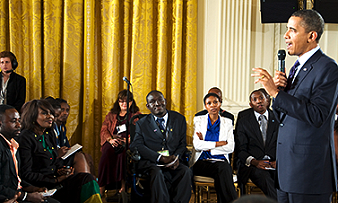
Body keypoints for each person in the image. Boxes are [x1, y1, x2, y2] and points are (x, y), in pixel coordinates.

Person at [252, 9, 338, 203]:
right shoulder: (295, 68)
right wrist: (280, 94)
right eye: (286, 29)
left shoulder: (327, 68)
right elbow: (285, 117)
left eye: (292, 30)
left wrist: (274, 93)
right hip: (286, 172)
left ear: (311, 36)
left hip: (309, 174)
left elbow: (317, 115)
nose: (286, 35)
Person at [17, 99, 102, 203]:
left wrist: (61, 170)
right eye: (44, 113)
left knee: (86, 179)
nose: (50, 117)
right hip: (40, 186)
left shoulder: (49, 134)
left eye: (51, 114)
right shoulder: (25, 137)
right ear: (33, 116)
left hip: (55, 181)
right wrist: (55, 180)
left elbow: (53, 160)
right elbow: (26, 173)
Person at [130, 90, 191, 203]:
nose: (157, 104)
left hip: (174, 160)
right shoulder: (141, 123)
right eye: (153, 102)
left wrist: (175, 158)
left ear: (165, 101)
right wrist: (160, 158)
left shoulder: (179, 119)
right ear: (148, 106)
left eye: (160, 100)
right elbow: (136, 145)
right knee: (157, 172)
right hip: (152, 162)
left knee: (185, 171)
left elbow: (182, 144)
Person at [0, 104, 59, 203]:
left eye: (19, 121)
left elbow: (15, 178)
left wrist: (32, 189)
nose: (19, 125)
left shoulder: (14, 145)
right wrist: (25, 196)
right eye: (14, 121)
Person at [190, 93, 237, 203]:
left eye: (215, 102)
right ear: (205, 106)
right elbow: (197, 145)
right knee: (224, 170)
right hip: (201, 162)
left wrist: (207, 146)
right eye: (209, 103)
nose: (213, 105)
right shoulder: (199, 121)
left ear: (220, 104)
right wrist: (218, 143)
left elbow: (230, 147)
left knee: (221, 173)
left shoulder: (227, 122)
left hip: (220, 162)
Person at [235, 89, 278, 199]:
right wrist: (255, 162)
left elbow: (282, 145)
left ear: (267, 100)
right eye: (255, 100)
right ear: (250, 104)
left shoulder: (277, 117)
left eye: (261, 98)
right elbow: (241, 148)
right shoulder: (244, 120)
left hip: (274, 164)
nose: (259, 101)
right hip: (253, 165)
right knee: (265, 178)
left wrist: (277, 162)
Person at [98, 89, 141, 195]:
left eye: (127, 101)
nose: (124, 104)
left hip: (128, 142)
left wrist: (129, 140)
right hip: (113, 141)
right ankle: (102, 186)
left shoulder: (136, 115)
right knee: (106, 152)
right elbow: (104, 129)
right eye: (121, 101)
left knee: (123, 154)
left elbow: (141, 132)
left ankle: (124, 185)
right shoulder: (112, 115)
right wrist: (110, 139)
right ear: (118, 102)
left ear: (131, 102)